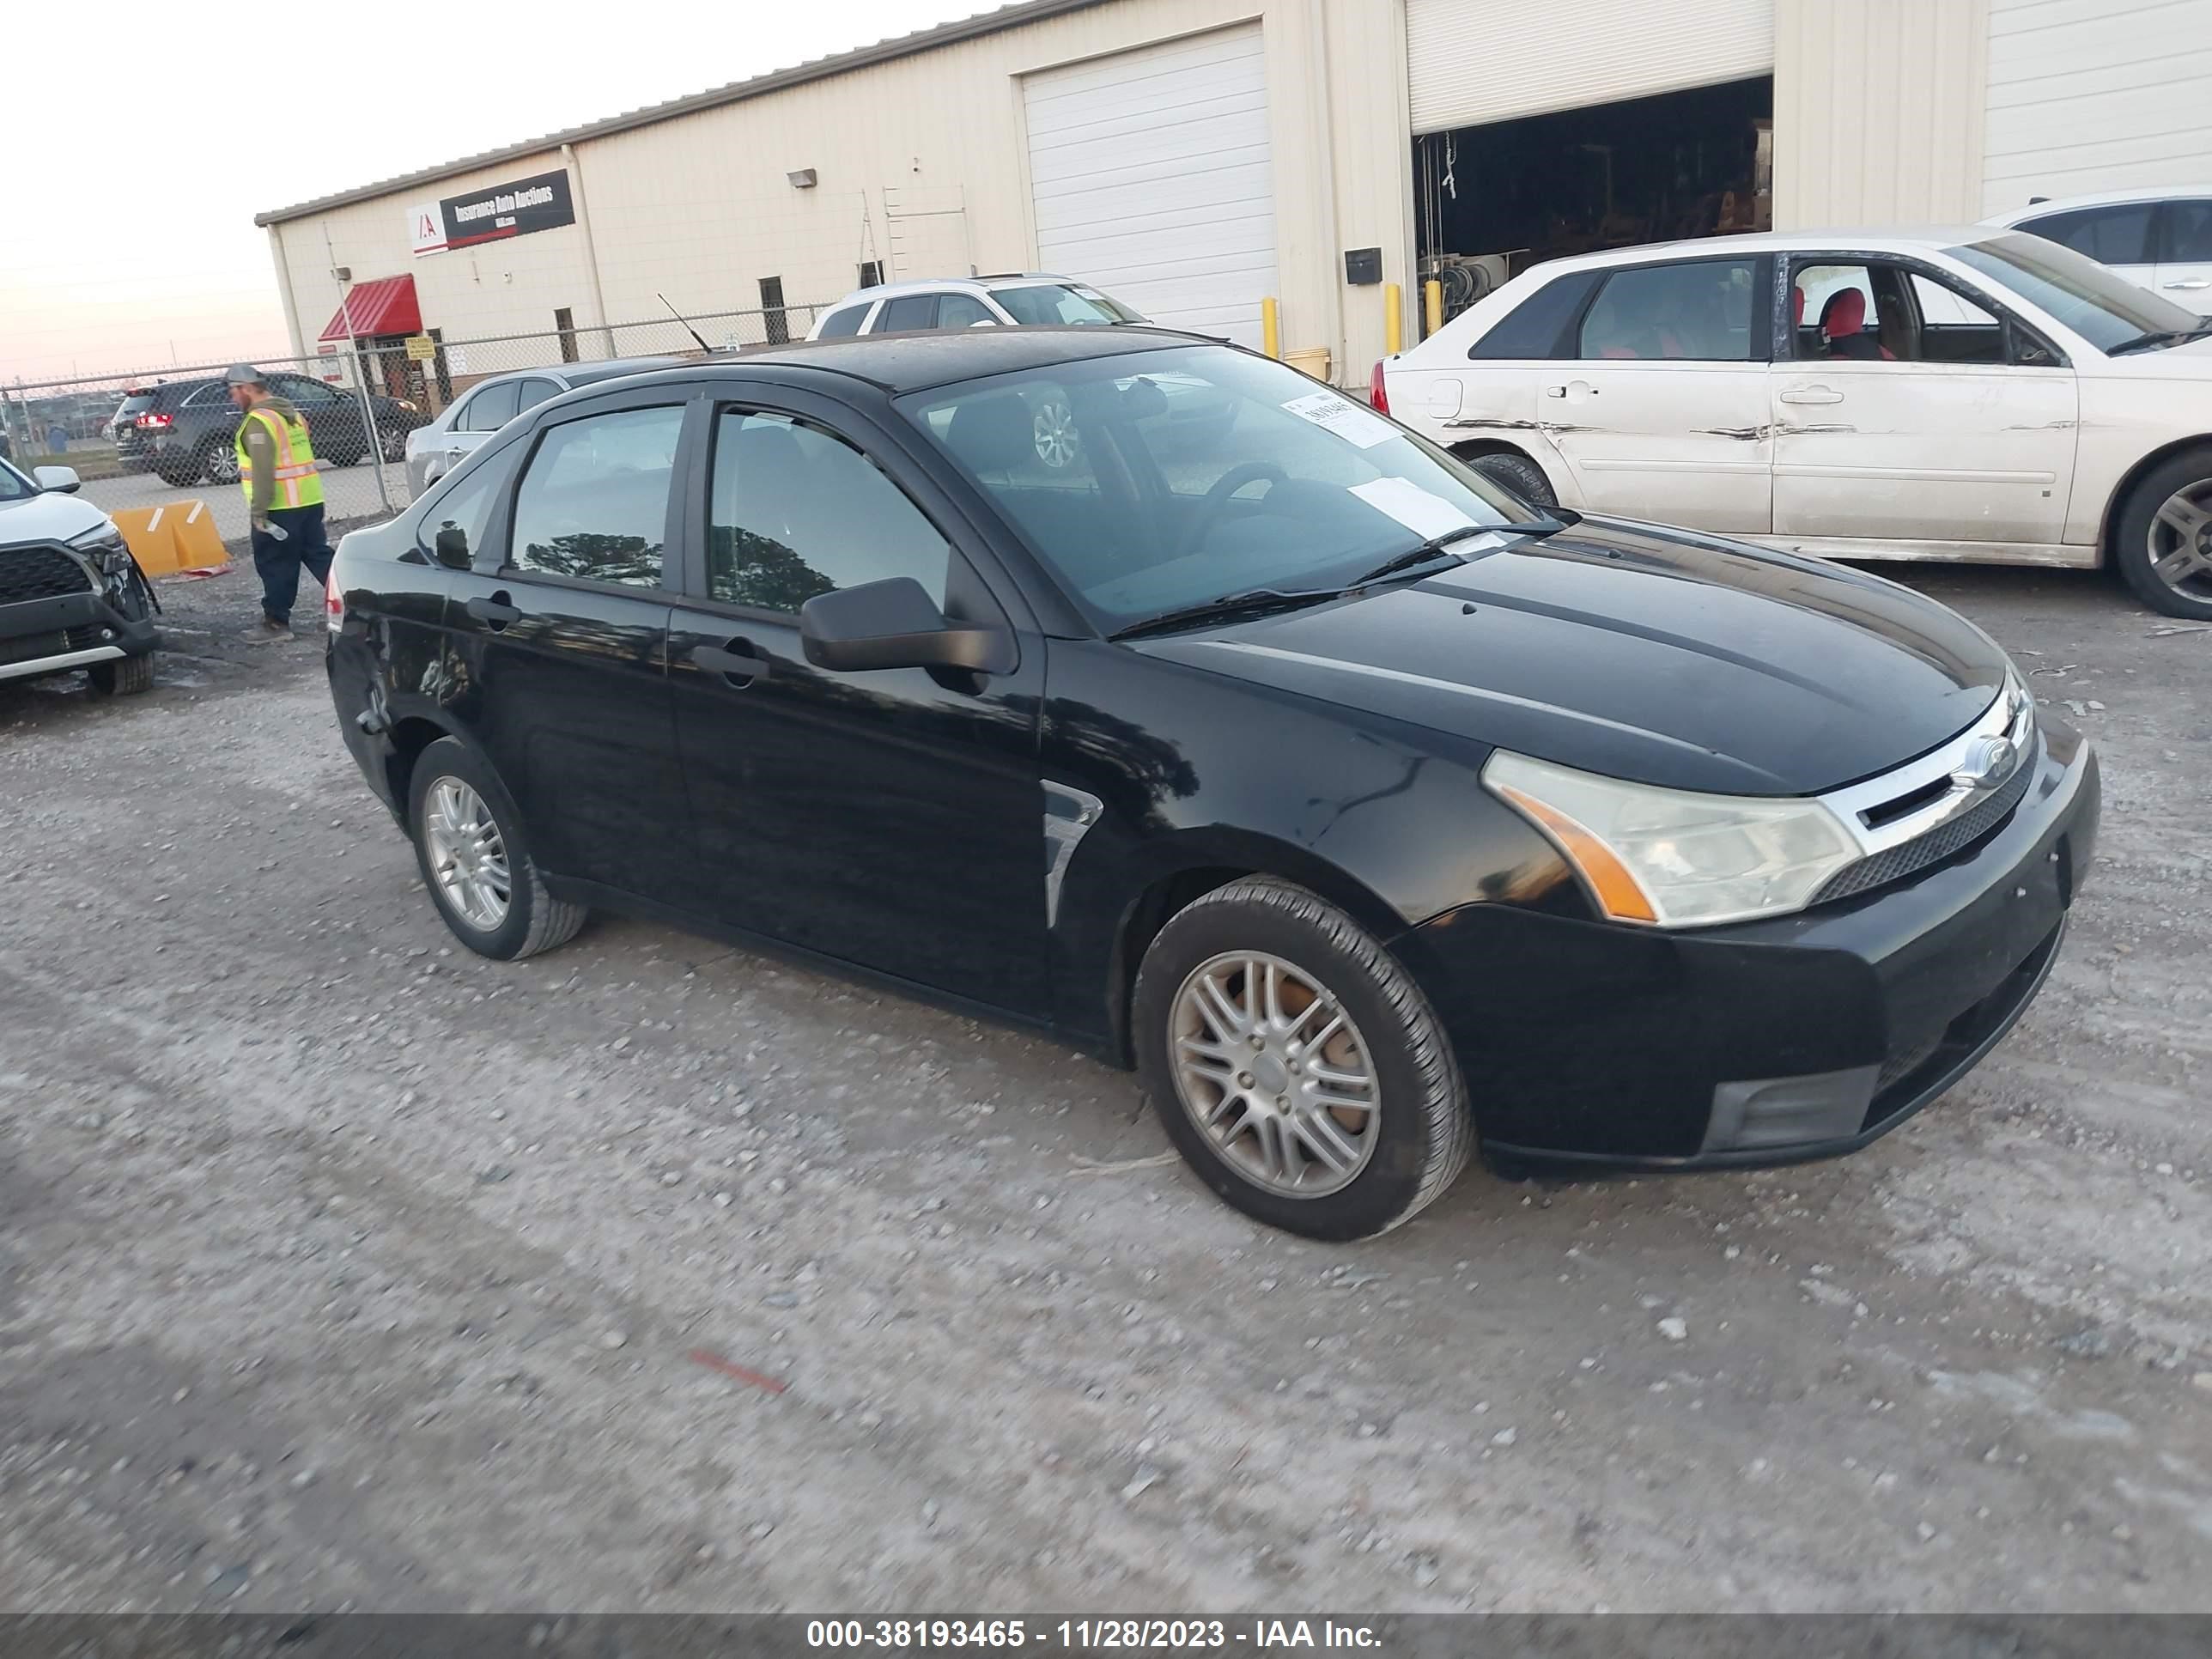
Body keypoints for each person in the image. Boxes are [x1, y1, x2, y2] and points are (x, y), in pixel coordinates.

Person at [227, 364, 331, 641]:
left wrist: (259, 513)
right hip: (308, 500)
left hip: (280, 509)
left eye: (234, 392)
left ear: (247, 389)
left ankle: (276, 624)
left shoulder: (259, 422)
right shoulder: (292, 415)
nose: (233, 398)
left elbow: (263, 471)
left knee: (276, 565)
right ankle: (358, 609)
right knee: (320, 558)